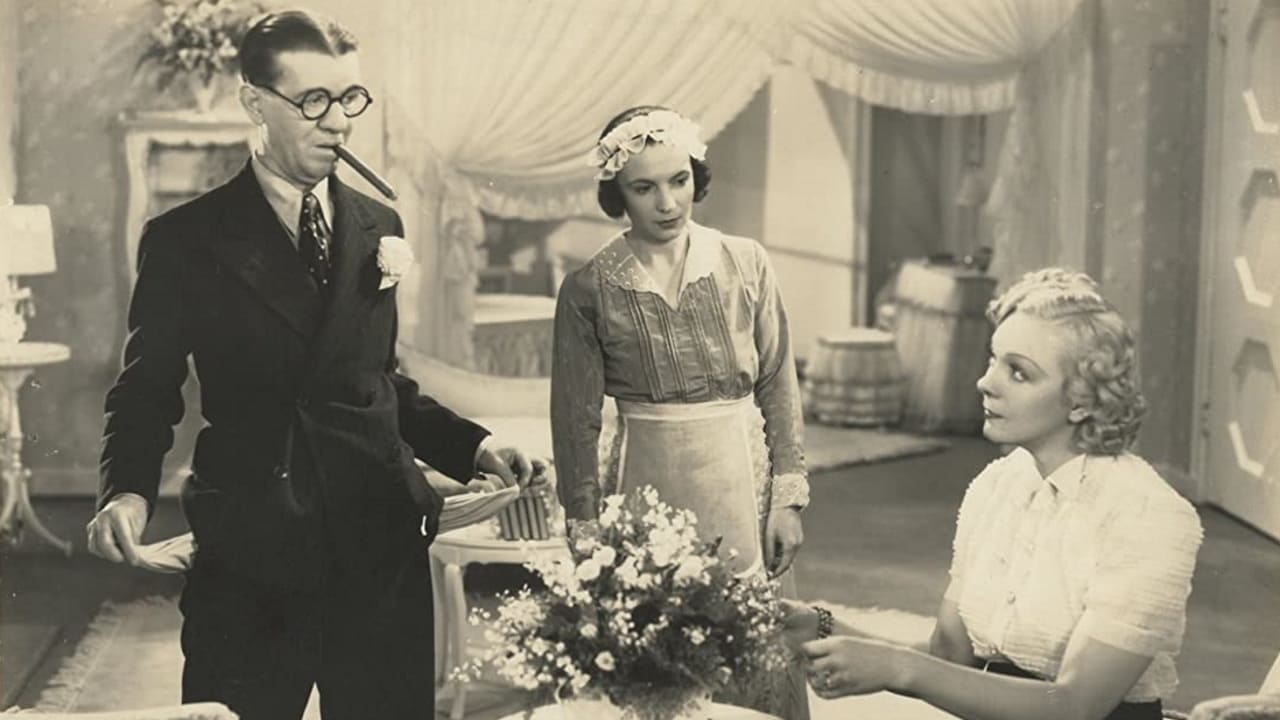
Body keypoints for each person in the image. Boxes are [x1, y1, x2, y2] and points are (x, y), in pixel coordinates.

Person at [86, 10, 539, 720]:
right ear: (254, 102)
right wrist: (128, 492)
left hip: (380, 541)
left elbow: (375, 381)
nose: (339, 123)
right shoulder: (184, 239)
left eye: (350, 98)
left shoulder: (379, 224)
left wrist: (474, 445)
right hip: (252, 550)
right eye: (314, 101)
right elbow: (146, 388)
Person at [785, 268, 1203, 720]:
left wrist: (898, 668)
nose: (986, 382)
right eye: (993, 360)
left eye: (1018, 372)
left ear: (1081, 401)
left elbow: (1075, 706)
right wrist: (822, 627)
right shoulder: (999, 484)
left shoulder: (1148, 516)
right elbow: (949, 655)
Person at [551, 105, 811, 718]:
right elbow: (575, 421)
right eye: (644, 188)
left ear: (697, 174)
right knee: (656, 665)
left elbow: (778, 382)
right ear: (617, 193)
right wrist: (585, 527)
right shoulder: (588, 288)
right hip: (644, 490)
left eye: (679, 180)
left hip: (742, 487)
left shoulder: (746, 262)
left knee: (755, 657)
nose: (668, 203)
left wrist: (788, 498)